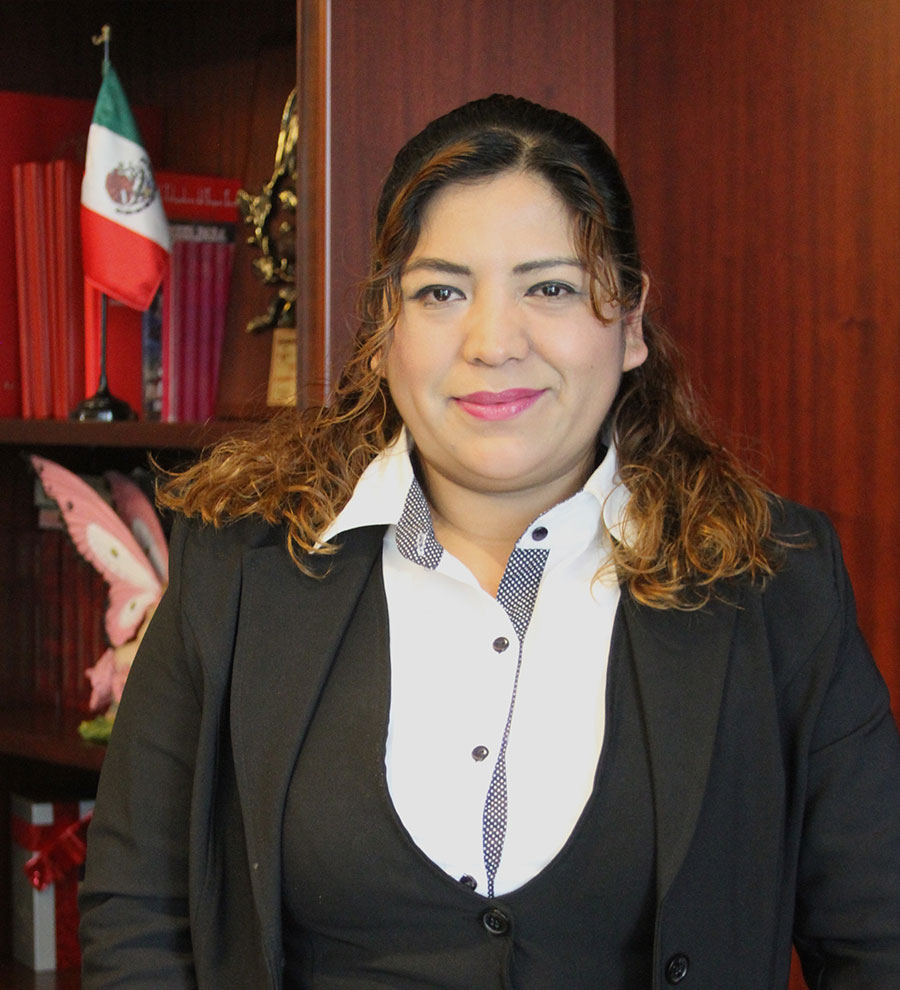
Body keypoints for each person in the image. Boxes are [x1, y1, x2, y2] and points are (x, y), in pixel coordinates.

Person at [79, 94, 900, 989]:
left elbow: (876, 936)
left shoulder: (774, 581)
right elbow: (139, 915)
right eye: (441, 291)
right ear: (384, 330)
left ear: (629, 323)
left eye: (550, 288)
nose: (493, 342)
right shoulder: (237, 566)